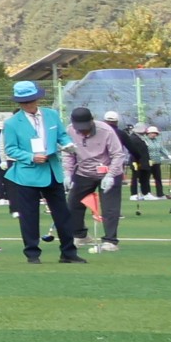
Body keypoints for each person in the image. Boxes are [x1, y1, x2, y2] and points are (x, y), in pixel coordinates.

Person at [0, 80, 80, 265]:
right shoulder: (11, 123)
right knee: (29, 216)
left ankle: (68, 253)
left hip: (52, 171)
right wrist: (30, 156)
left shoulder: (51, 115)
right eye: (24, 102)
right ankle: (32, 254)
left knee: (63, 214)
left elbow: (61, 135)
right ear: (18, 103)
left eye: (31, 100)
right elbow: (11, 149)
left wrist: (67, 144)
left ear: (37, 98)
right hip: (27, 175)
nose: (29, 104)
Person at [67, 105, 127, 252]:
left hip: (108, 172)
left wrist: (111, 175)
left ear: (92, 121)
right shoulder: (69, 131)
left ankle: (110, 241)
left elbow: (117, 154)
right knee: (73, 204)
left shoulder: (106, 130)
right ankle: (80, 235)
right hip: (83, 172)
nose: (83, 130)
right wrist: (67, 174)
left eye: (85, 126)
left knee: (110, 208)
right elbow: (68, 154)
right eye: (79, 127)